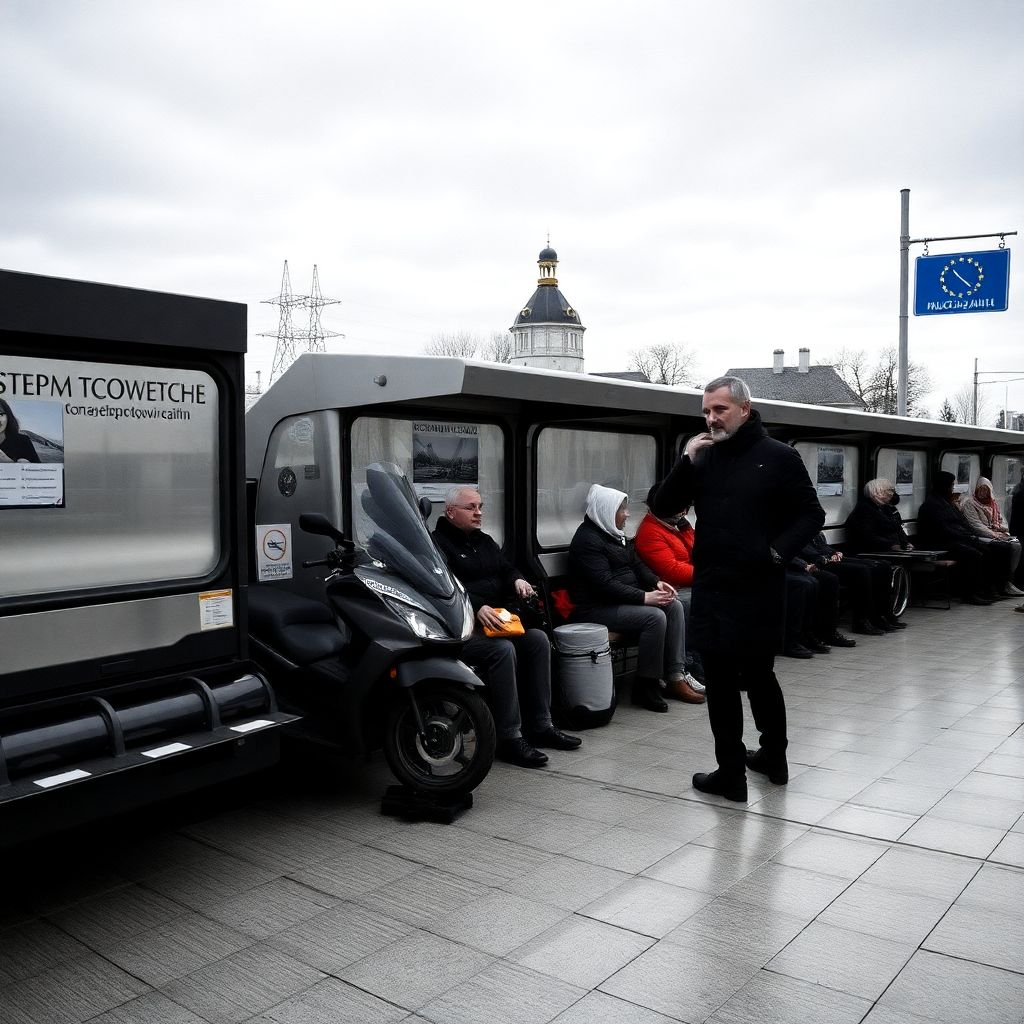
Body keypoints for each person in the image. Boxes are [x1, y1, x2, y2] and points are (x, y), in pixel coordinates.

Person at [653, 375, 825, 802]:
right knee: (722, 682)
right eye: (706, 411)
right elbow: (661, 507)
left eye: (720, 410)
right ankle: (731, 773)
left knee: (761, 676)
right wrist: (686, 459)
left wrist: (775, 554)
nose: (711, 418)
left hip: (760, 586)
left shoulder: (779, 457)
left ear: (744, 409)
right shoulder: (705, 457)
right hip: (714, 585)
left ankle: (774, 758)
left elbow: (811, 514)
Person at [433, 486, 581, 768]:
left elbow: (505, 568)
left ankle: (541, 724)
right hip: (462, 628)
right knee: (502, 651)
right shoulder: (438, 545)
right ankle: (509, 737)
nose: (478, 513)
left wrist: (517, 579)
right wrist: (475, 606)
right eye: (470, 508)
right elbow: (446, 587)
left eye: (480, 506)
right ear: (450, 512)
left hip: (498, 622)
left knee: (537, 639)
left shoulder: (484, 541)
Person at [568, 484, 701, 711]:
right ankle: (645, 685)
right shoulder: (588, 541)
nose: (627, 514)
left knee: (674, 605)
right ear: (607, 511)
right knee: (654, 617)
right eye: (622, 509)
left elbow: (637, 565)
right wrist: (645, 597)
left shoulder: (614, 534)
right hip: (597, 607)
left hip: (621, 602)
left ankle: (675, 675)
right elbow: (604, 585)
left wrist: (655, 582)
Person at [633, 485, 706, 689]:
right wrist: (707, 575)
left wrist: (686, 529)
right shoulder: (650, 531)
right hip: (672, 586)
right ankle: (689, 664)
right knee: (690, 602)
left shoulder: (676, 526)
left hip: (686, 582)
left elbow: (696, 551)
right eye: (680, 508)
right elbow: (671, 570)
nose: (684, 513)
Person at [916, 471, 1013, 604]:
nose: (952, 489)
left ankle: (989, 589)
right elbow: (945, 530)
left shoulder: (948, 503)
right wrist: (967, 538)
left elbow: (962, 523)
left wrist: (969, 536)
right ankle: (970, 593)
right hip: (939, 544)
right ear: (944, 486)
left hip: (955, 540)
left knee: (991, 550)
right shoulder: (931, 505)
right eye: (951, 485)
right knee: (974, 554)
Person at [801, 531, 902, 635]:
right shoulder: (798, 528)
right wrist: (827, 557)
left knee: (882, 565)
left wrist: (834, 553)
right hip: (818, 562)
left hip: (827, 557)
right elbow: (807, 551)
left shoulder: (810, 527)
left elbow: (822, 546)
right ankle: (861, 621)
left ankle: (882, 615)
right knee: (861, 571)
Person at [961, 478, 1024, 596]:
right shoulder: (970, 503)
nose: (983, 492)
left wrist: (1003, 531)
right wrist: (994, 535)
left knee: (1017, 545)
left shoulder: (993, 504)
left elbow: (1002, 520)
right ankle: (1001, 582)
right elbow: (976, 525)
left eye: (986, 490)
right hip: (979, 535)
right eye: (981, 489)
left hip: (995, 532)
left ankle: (1009, 578)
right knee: (1002, 547)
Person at [844, 479, 913, 555]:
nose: (892, 494)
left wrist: (905, 543)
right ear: (878, 493)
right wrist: (892, 545)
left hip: (889, 550)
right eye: (889, 491)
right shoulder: (863, 510)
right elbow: (867, 536)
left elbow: (898, 528)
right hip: (873, 553)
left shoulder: (886, 508)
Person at [0, 398, 41, 464]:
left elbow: (41, 472)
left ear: (8, 416)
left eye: (1, 414)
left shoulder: (23, 441)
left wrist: (12, 464)